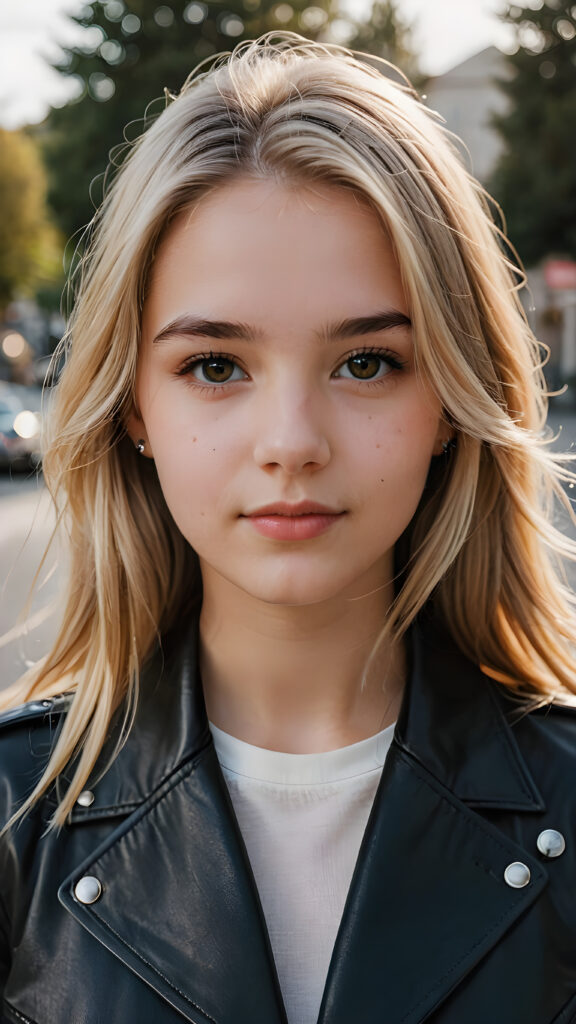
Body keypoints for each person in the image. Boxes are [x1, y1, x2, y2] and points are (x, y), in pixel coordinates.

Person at [1, 32, 576, 1024]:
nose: (292, 443)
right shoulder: (14, 820)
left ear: (451, 397)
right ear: (134, 406)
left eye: (367, 363)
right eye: (216, 366)